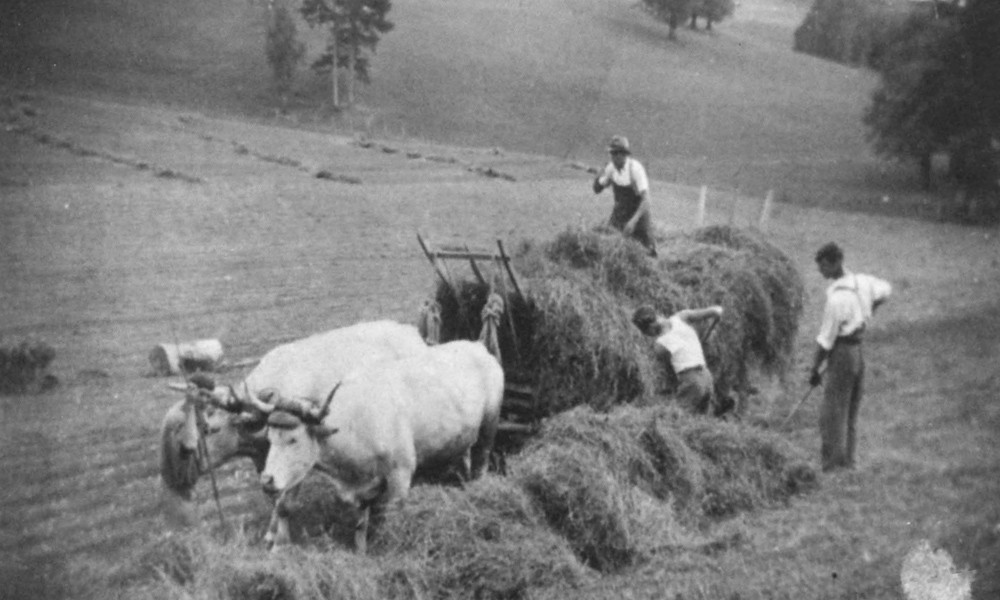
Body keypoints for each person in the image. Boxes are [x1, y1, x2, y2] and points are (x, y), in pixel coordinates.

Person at [808, 242, 891, 472]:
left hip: (843, 352)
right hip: (858, 351)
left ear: (836, 263)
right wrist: (867, 312)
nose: (820, 271)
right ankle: (850, 462)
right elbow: (886, 290)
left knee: (833, 412)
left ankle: (833, 466)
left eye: (824, 266)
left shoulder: (837, 299)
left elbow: (825, 340)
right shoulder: (863, 282)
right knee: (851, 410)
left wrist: (814, 369)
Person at [632, 304, 725, 415]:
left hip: (692, 381)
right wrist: (713, 321)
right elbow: (717, 311)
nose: (649, 336)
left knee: (678, 421)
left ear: (650, 327)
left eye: (646, 333)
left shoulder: (660, 345)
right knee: (700, 423)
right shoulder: (681, 317)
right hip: (707, 377)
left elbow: (666, 368)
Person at [592, 135, 658, 257]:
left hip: (639, 213)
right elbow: (597, 188)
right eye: (611, 154)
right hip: (620, 212)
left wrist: (633, 222)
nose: (612, 157)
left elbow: (647, 200)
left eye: (615, 154)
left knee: (648, 250)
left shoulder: (636, 169)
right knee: (610, 245)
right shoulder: (611, 168)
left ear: (624, 155)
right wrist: (600, 177)